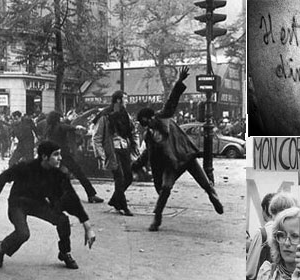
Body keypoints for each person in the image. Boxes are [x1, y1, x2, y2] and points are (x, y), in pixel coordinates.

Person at [132, 66, 223, 230]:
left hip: (182, 157)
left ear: (152, 117)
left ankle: (212, 195)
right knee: (167, 189)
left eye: (148, 122)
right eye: (146, 124)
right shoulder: (150, 134)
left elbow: (171, 101)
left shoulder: (163, 116)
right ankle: (157, 216)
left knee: (203, 183)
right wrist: (137, 165)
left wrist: (179, 82)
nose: (149, 125)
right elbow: (147, 154)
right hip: (177, 160)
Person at [0, 141, 96, 269]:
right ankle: (1, 247)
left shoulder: (58, 174)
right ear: (44, 157)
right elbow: (4, 176)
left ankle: (65, 252)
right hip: (18, 203)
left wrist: (88, 227)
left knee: (62, 220)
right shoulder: (25, 167)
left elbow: (72, 199)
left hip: (38, 204)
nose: (60, 158)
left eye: (60, 154)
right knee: (23, 234)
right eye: (56, 155)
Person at [92, 90, 140, 216]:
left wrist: (135, 146)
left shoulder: (126, 115)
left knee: (128, 177)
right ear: (118, 100)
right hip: (112, 150)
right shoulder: (104, 116)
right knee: (119, 178)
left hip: (124, 148)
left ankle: (114, 200)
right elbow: (96, 137)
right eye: (125, 99)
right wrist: (101, 155)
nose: (127, 101)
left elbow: (133, 131)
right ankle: (123, 206)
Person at [44, 111, 104, 203]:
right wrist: (77, 127)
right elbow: (68, 127)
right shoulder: (60, 126)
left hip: (53, 156)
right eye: (60, 117)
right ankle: (91, 195)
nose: (62, 118)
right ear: (57, 118)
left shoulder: (49, 129)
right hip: (64, 155)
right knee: (79, 174)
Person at [247, 192, 299, 280]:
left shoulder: (262, 233)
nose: (286, 243)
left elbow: (250, 272)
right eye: (281, 236)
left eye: (294, 236)